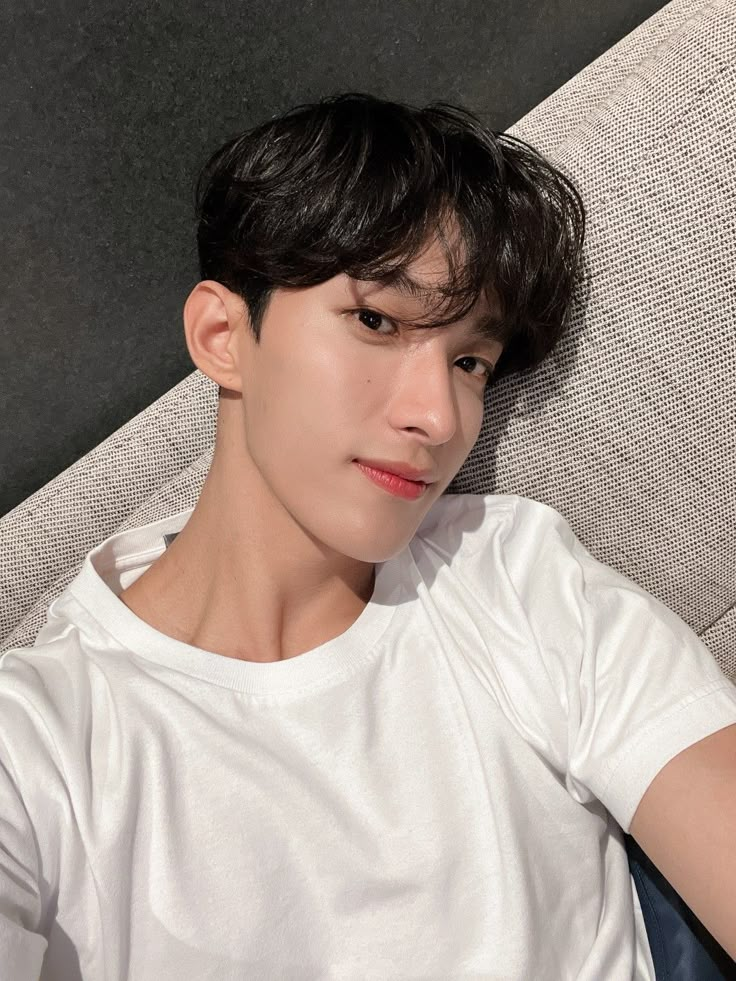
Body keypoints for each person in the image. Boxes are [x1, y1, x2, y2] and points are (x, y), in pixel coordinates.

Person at [1, 91, 735, 980]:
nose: (437, 415)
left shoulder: (518, 580)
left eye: (471, 361)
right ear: (223, 335)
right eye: (378, 321)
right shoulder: (40, 742)